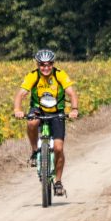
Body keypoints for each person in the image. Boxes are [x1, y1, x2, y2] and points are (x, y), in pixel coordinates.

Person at [15, 48, 73, 193]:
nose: (45, 68)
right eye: (42, 64)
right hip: (38, 109)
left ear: (53, 64)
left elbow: (71, 93)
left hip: (57, 111)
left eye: (48, 64)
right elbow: (21, 94)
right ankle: (35, 151)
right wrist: (17, 110)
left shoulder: (59, 74)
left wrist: (75, 109)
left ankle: (58, 182)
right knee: (31, 122)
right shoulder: (33, 76)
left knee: (58, 148)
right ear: (37, 64)